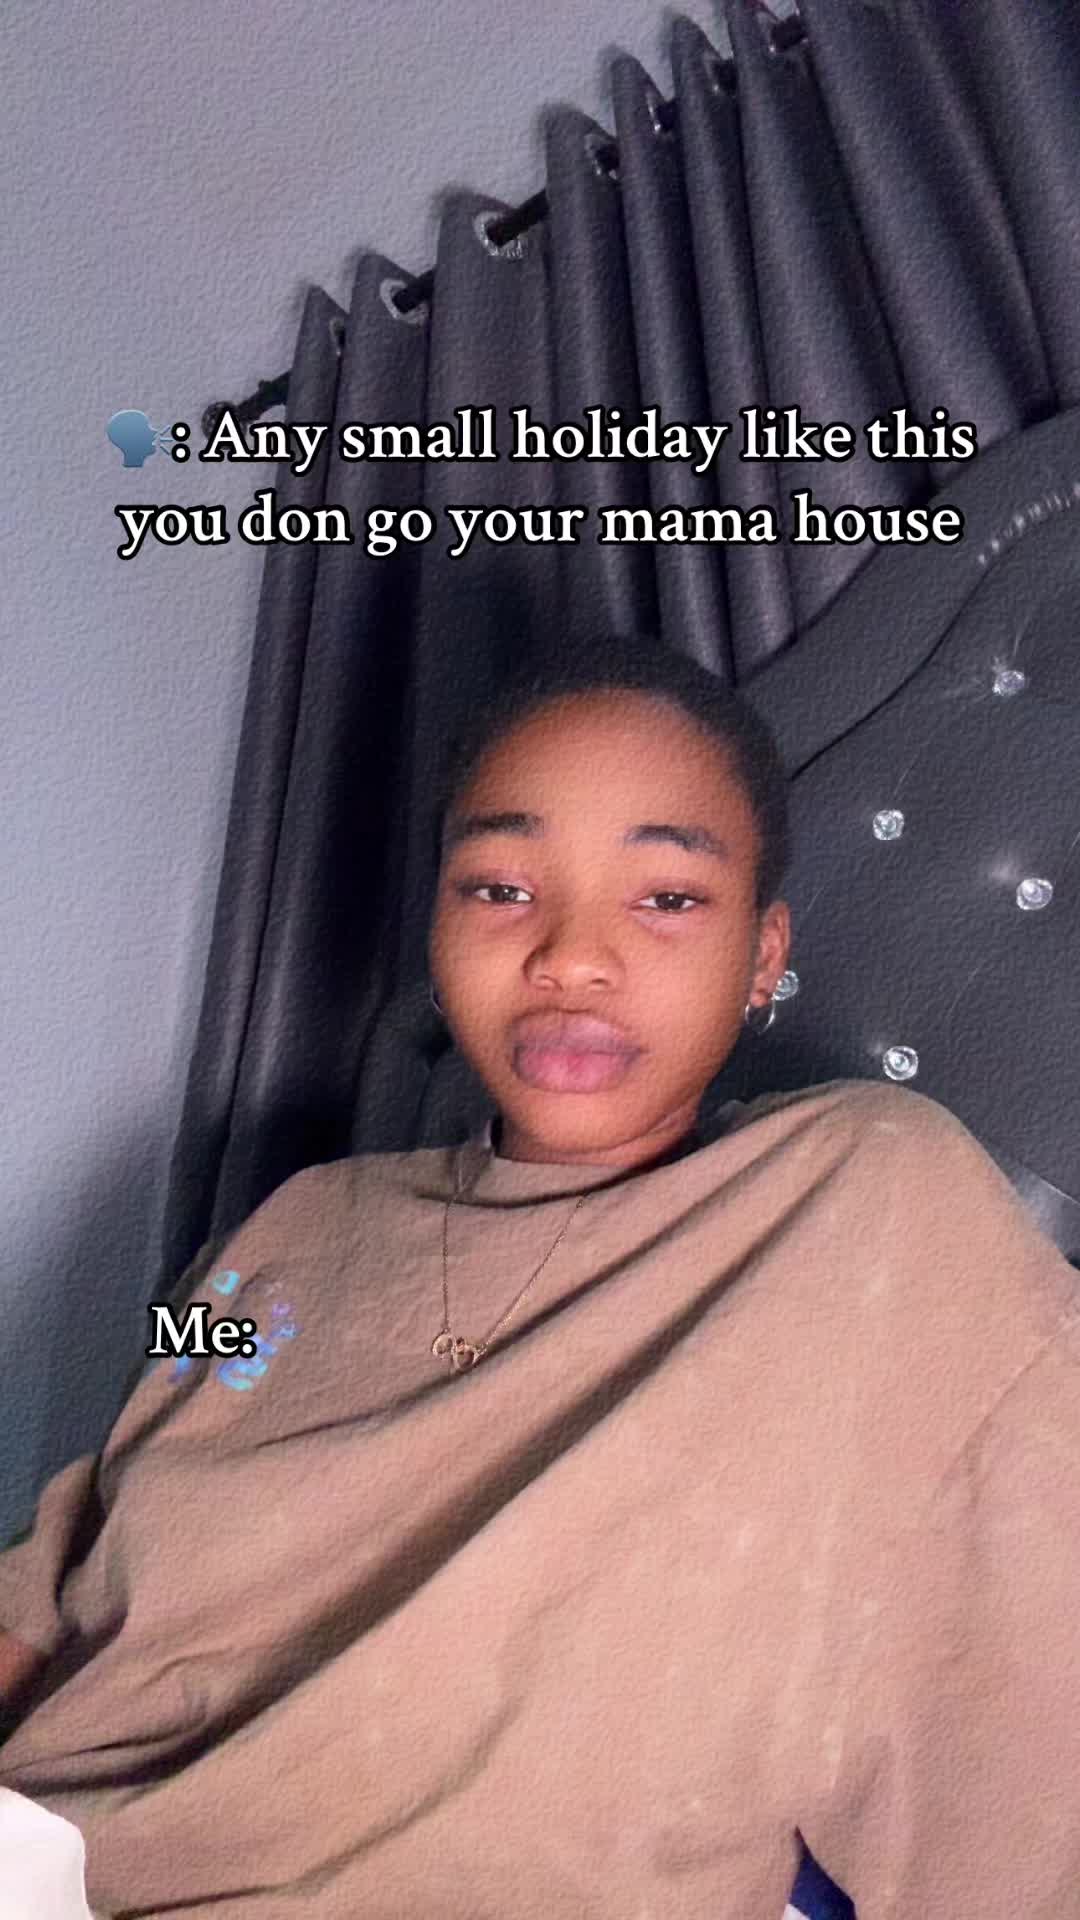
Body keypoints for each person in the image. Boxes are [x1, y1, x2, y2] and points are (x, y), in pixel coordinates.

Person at [0, 632, 1077, 1920]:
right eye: (501, 888)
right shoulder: (291, 1228)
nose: (571, 955)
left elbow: (1025, 1685)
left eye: (666, 898)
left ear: (763, 953)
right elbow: (70, 1563)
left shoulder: (859, 1199)